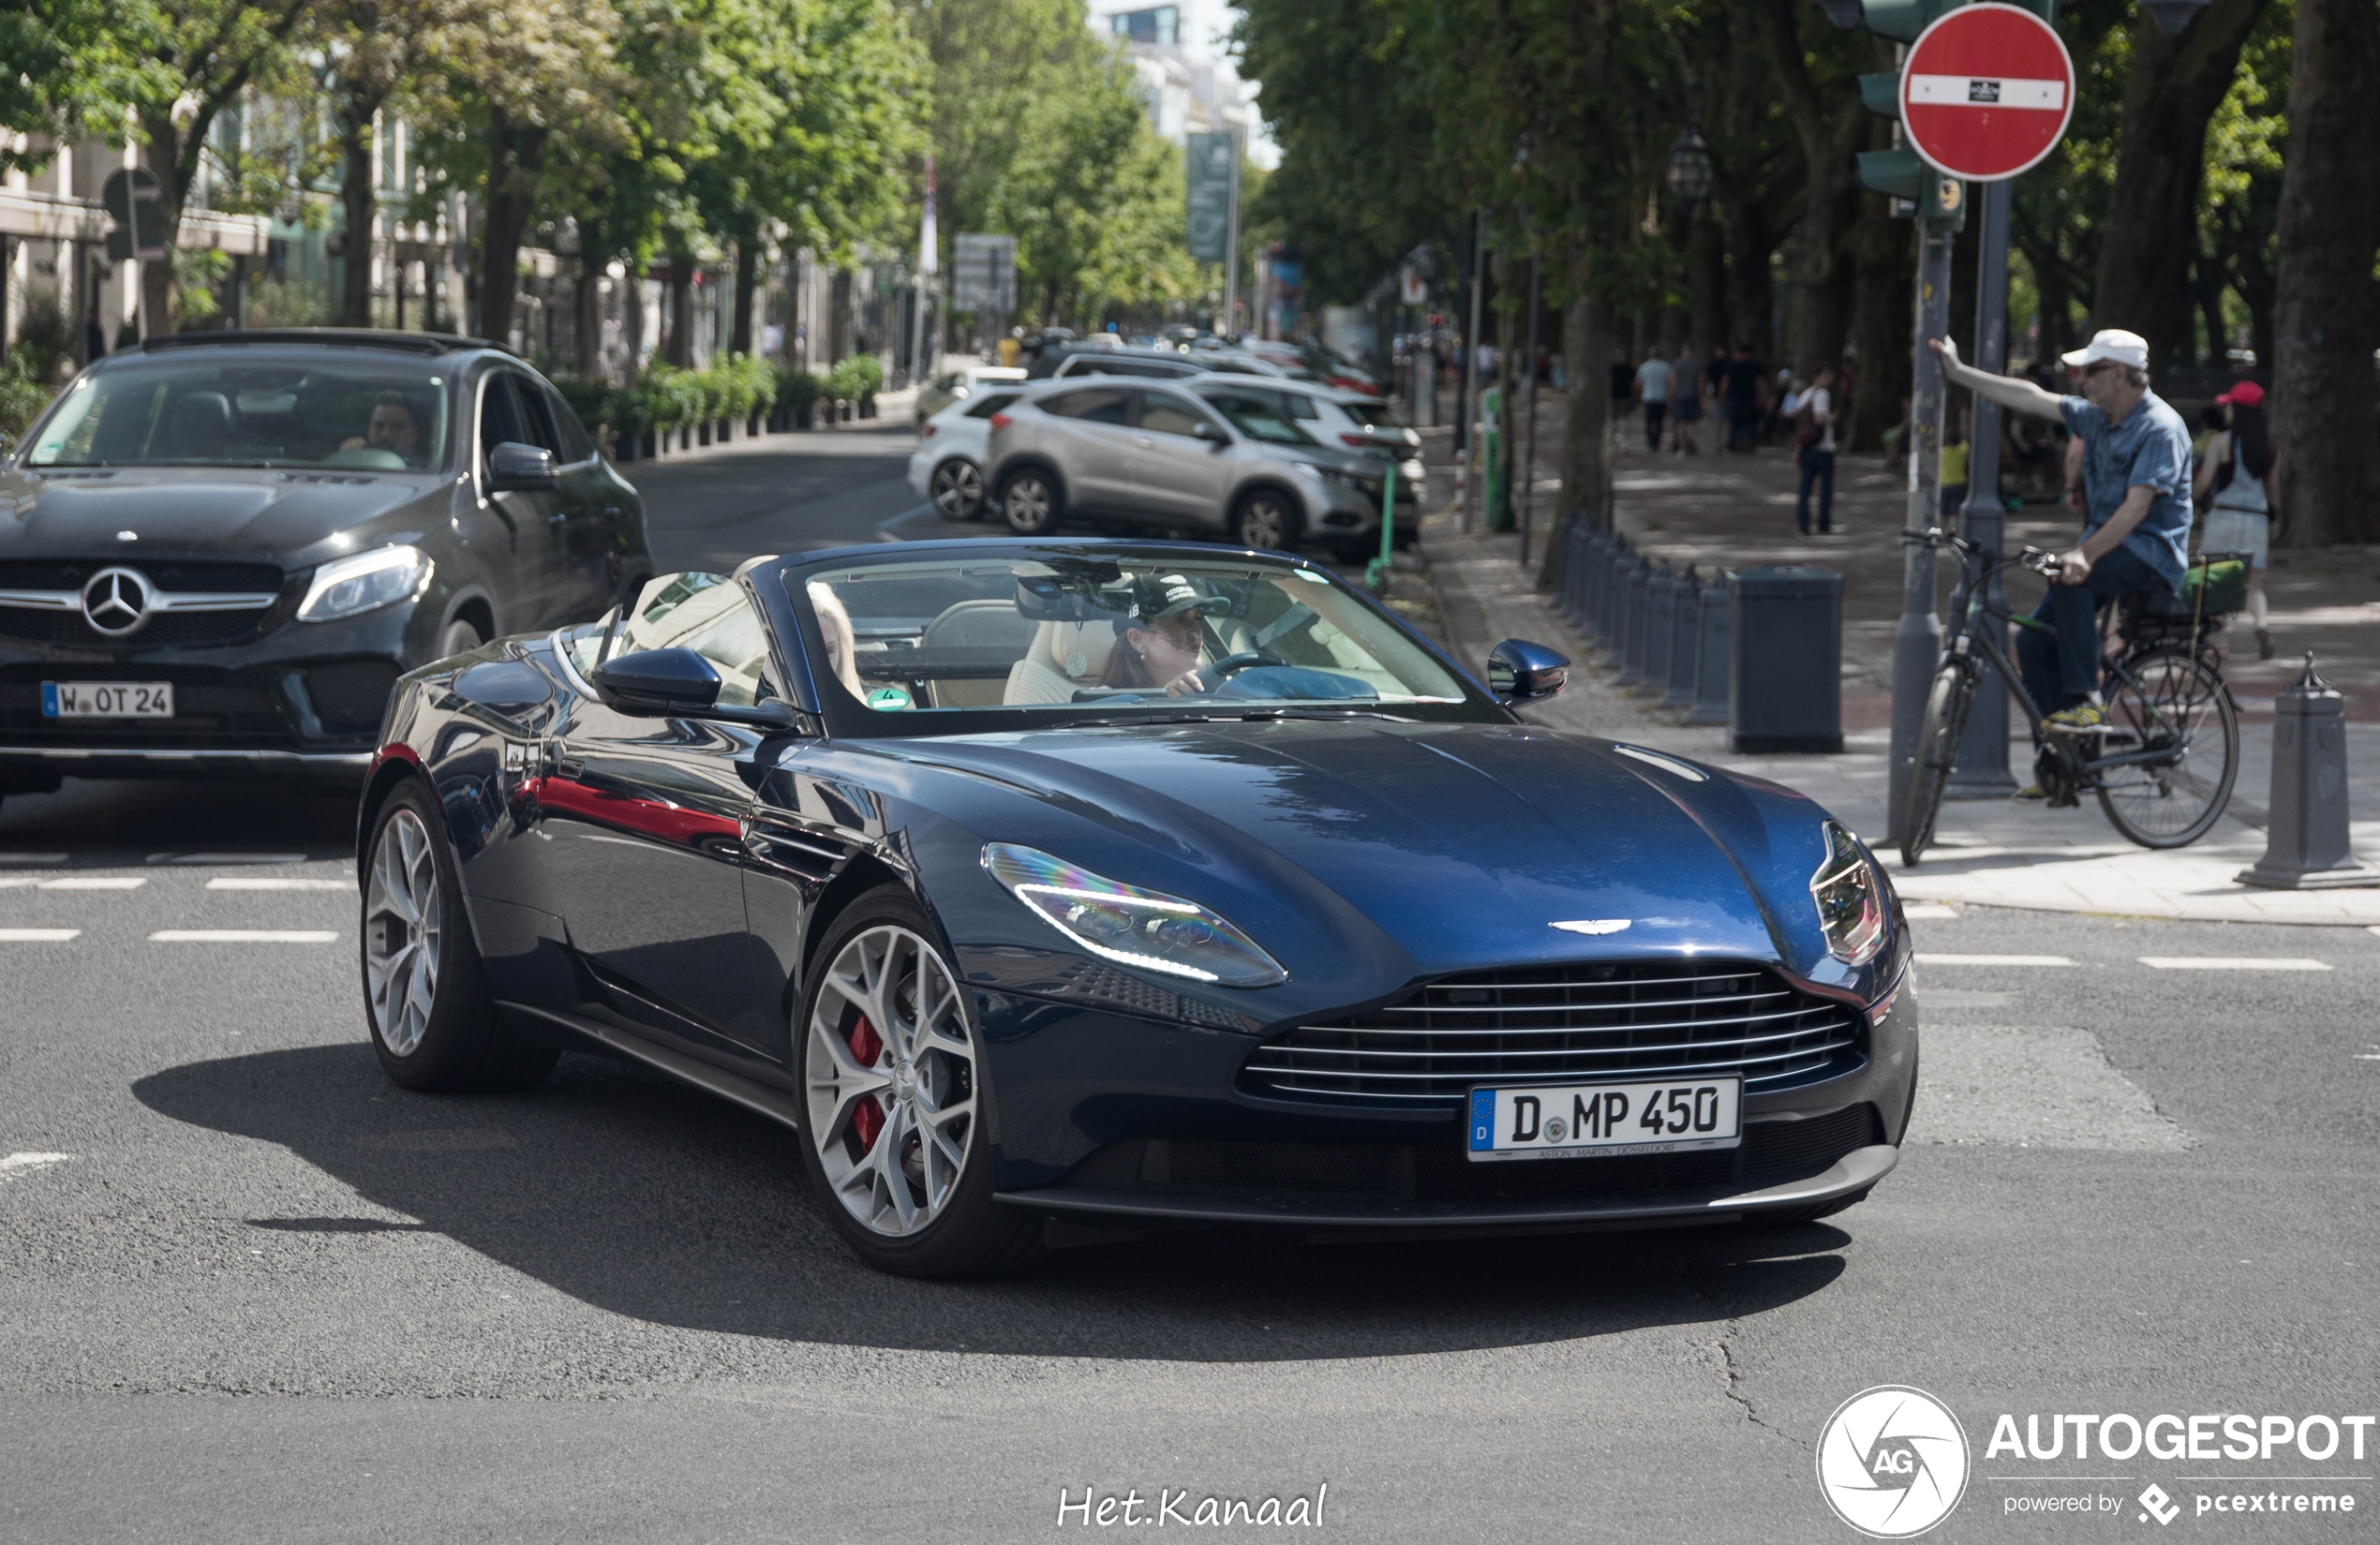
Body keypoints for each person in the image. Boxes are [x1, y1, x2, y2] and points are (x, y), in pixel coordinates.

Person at [1929, 329, 2194, 796]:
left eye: (2091, 370)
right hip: (2109, 548)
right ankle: (2062, 763)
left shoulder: (2159, 427)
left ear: (2120, 374)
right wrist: (1958, 372)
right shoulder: (2097, 418)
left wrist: (2083, 554)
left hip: (2150, 553)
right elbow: (2030, 397)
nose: (2082, 379)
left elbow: (2136, 508)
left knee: (2074, 582)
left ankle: (2089, 702)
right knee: (2032, 641)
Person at [2193, 379, 2277, 658]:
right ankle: (2262, 625)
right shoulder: (2268, 447)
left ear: (2237, 409)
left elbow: (2204, 482)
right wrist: (2274, 517)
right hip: (2256, 519)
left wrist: (2186, 501)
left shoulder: (2220, 442)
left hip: (2223, 517)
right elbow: (2272, 489)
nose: (2225, 410)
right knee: (2254, 585)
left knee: (2214, 581)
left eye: (2229, 405)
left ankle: (2219, 642)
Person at [1097, 573, 1224, 695]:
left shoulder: (1216, 690)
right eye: (1180, 621)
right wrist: (1166, 702)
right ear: (1137, 639)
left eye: (1197, 619)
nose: (1196, 634)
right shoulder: (1103, 705)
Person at [1793, 366, 1837, 534]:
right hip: (1822, 448)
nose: (1829, 380)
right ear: (1817, 376)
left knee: (1805, 488)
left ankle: (1803, 524)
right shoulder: (1822, 394)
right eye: (1826, 375)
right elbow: (1819, 419)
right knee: (1825, 489)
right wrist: (1830, 418)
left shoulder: (1805, 395)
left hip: (1806, 447)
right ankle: (1823, 524)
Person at [338, 392, 424, 465]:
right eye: (379, 426)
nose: (385, 434)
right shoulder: (353, 460)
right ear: (369, 429)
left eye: (396, 427)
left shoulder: (428, 474)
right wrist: (346, 459)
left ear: (413, 434)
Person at [1724, 346, 1763, 452]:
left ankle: (1739, 443)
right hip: (1742, 398)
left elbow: (1725, 382)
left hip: (1741, 399)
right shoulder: (1752, 366)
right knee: (1743, 422)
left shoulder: (1732, 366)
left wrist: (1722, 396)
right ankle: (1741, 442)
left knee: (1740, 422)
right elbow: (1758, 383)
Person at [1633, 351, 1673, 453]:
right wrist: (1670, 396)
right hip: (1661, 397)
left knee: (1649, 421)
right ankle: (1656, 442)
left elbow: (1638, 383)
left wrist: (1638, 395)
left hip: (1648, 397)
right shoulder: (1665, 366)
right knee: (1659, 421)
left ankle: (1650, 442)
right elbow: (1670, 382)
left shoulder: (1644, 367)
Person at [1669, 345, 1701, 454]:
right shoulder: (1696, 363)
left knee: (1681, 423)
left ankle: (1682, 447)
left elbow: (1674, 381)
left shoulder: (1677, 363)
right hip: (1692, 396)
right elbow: (1700, 382)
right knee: (1690, 423)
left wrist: (1672, 395)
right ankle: (1689, 444)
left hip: (1680, 396)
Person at [1939, 413, 1969, 519]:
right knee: (1954, 513)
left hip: (1943, 484)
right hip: (1959, 484)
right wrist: (1963, 419)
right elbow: (1965, 436)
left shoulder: (1941, 452)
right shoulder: (1962, 449)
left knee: (1943, 513)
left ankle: (1942, 532)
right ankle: (1952, 532)